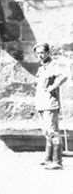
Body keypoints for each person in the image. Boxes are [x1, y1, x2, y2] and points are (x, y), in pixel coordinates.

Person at [34, 42, 67, 170]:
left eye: (42, 53)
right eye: (38, 53)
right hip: (41, 103)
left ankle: (57, 161)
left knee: (53, 132)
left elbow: (64, 76)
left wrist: (53, 87)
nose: (40, 56)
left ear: (48, 52)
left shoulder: (53, 66)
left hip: (50, 104)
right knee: (46, 132)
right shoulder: (42, 68)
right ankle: (47, 158)